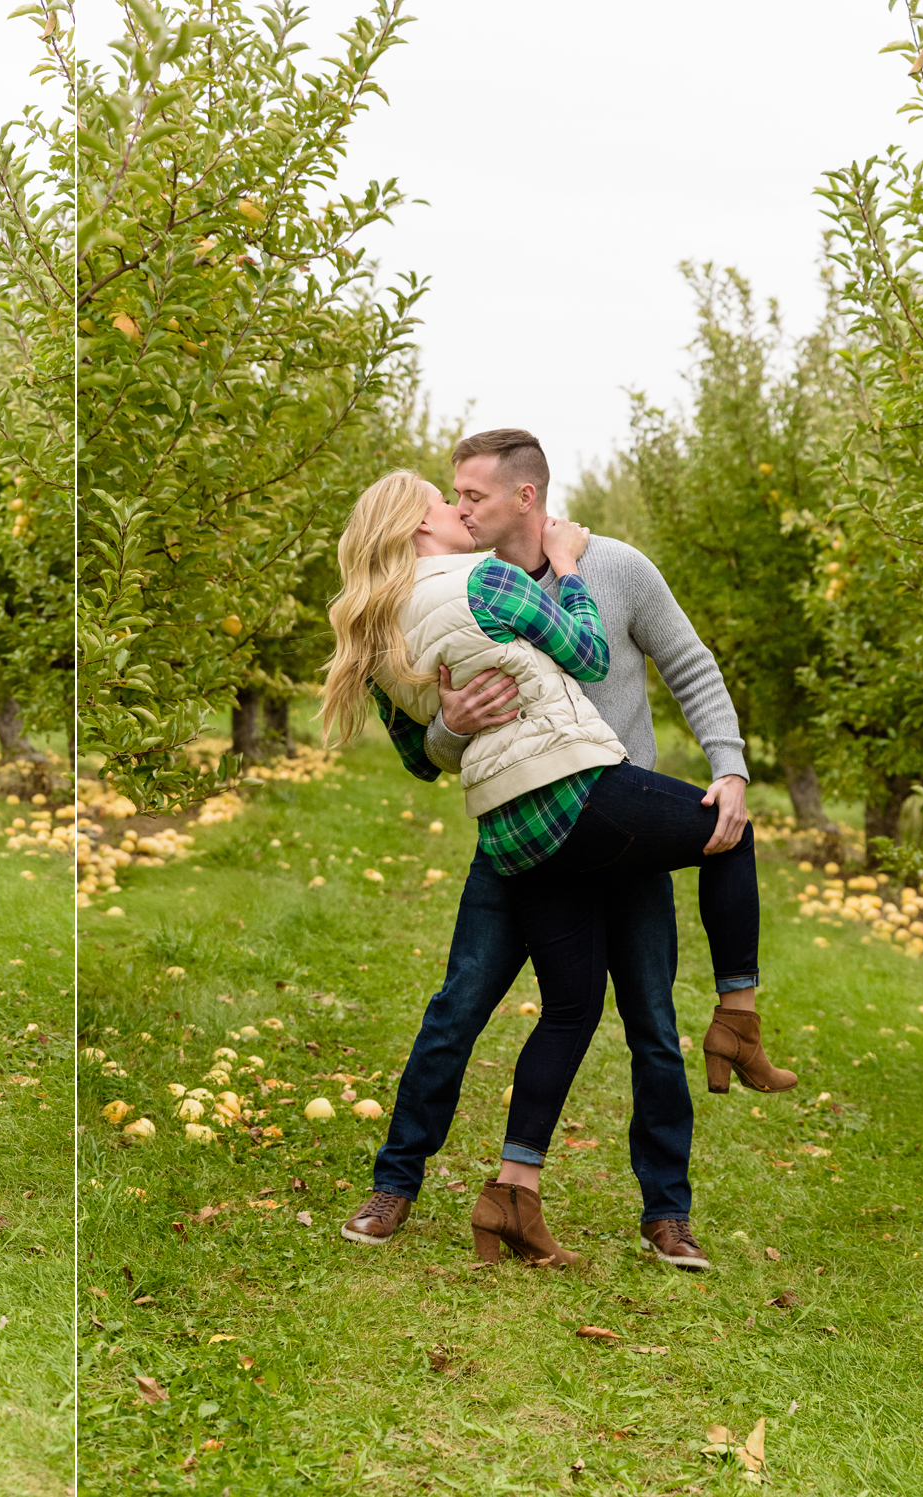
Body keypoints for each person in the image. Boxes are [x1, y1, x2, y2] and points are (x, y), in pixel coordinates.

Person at [322, 457, 794, 1267]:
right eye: (451, 498)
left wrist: (731, 768)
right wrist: (456, 724)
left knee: (648, 1020)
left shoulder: (616, 566)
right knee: (461, 1007)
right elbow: (422, 751)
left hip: (623, 812)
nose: (461, 508)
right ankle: (397, 1185)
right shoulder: (472, 582)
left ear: (523, 495)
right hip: (532, 822)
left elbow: (692, 668)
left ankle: (665, 1213)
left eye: (470, 494)